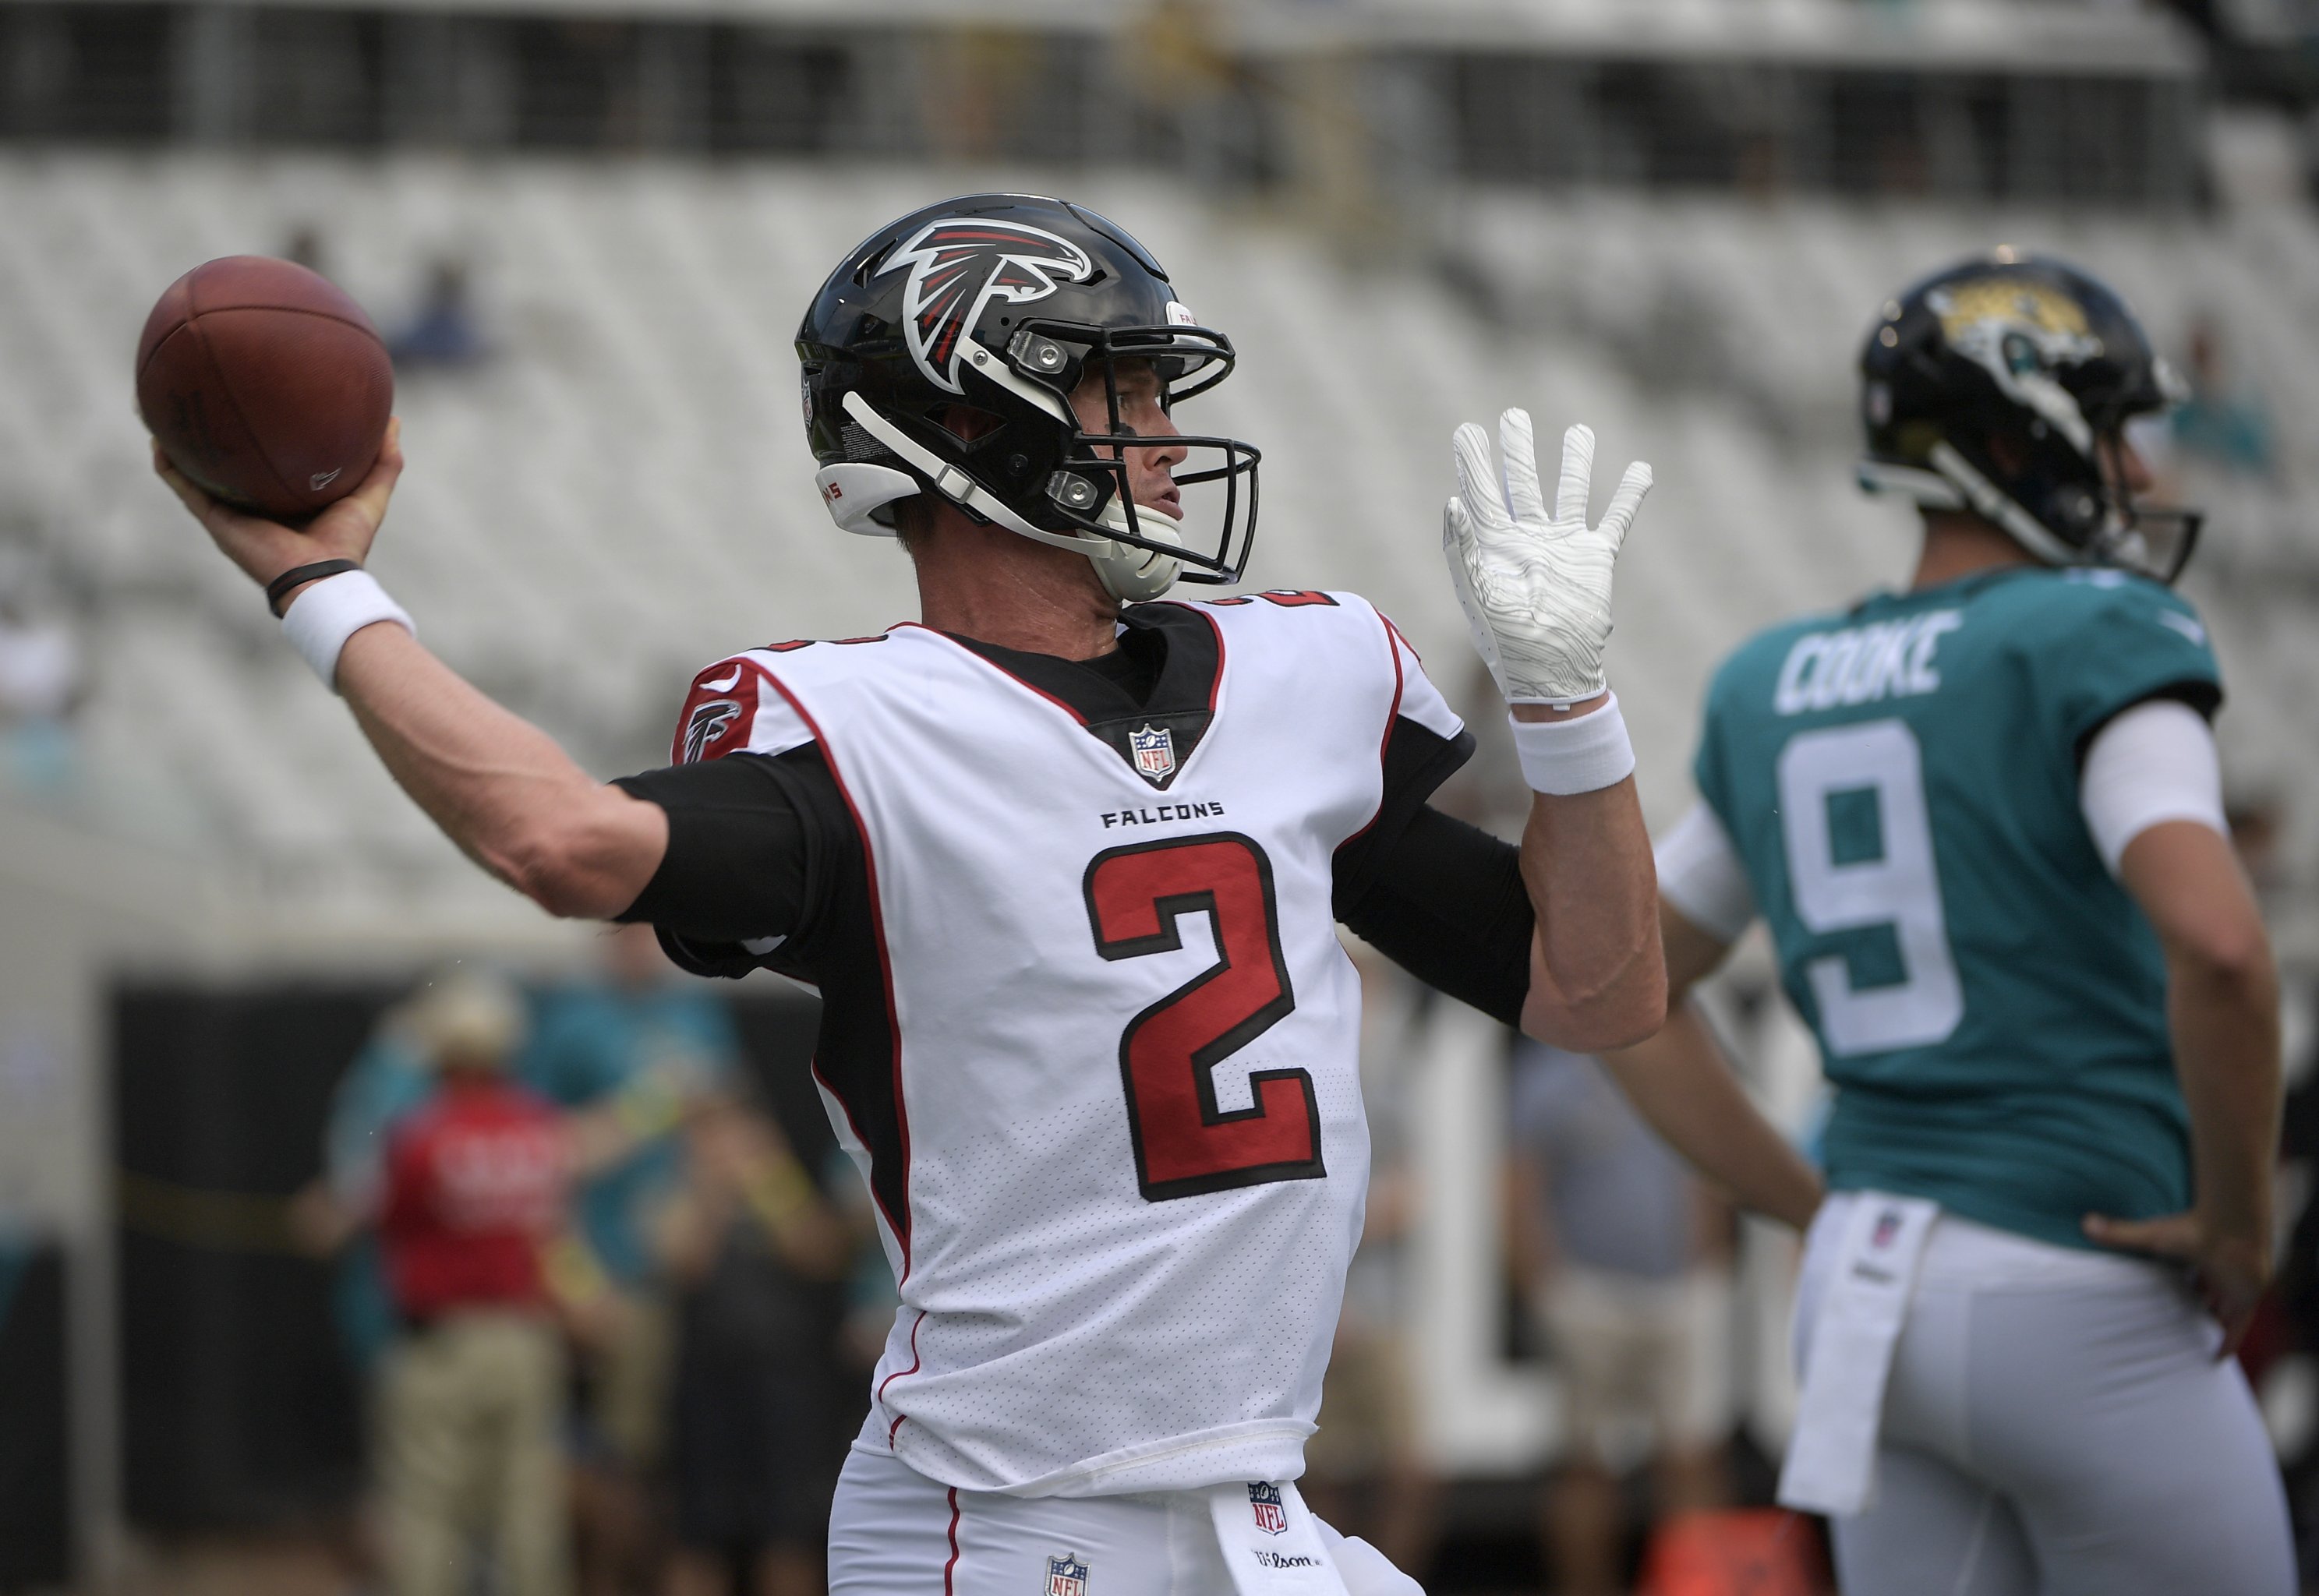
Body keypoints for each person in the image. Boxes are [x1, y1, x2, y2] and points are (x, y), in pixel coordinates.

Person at [153, 191, 1805, 1595]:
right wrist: (321, 583)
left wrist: (1566, 708)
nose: (1161, 432)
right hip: (1014, 1524)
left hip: (1263, 1517)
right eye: (1116, 390)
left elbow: (1597, 989)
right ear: (961, 424)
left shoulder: (1296, 678)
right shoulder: (863, 731)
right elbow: (563, 845)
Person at [1613, 253, 2292, 1593]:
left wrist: (1809, 1198)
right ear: (2008, 437)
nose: (2138, 475)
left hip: (1866, 1287)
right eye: (2108, 432)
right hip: (2076, 1276)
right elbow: (2220, 948)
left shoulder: (1773, 679)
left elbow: (1617, 994)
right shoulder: (2095, 630)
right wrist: (2238, 1217)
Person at [518, 923, 740, 1596]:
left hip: (679, 1275)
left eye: (651, 926)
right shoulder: (570, 1023)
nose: (638, 943)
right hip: (605, 1274)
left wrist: (705, 1220)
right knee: (600, 1456)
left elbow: (725, 1135)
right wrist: (572, 1277)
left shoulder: (697, 1014)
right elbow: (541, 1156)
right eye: (625, 929)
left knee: (662, 1457)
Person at [1504, 1039, 1730, 1596]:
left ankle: (1695, 1586)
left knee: (1691, 1457)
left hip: (1676, 1290)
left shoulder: (1678, 1067)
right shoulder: (1551, 1074)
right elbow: (1518, 1183)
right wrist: (1547, 1287)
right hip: (1590, 1295)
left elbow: (1707, 1161)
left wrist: (1707, 1263)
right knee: (1585, 1464)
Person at [373, 971, 573, 1596]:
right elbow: (554, 1235)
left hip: (443, 1345)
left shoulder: (420, 1137)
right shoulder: (539, 1128)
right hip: (525, 1337)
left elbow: (391, 1222)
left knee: (428, 1509)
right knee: (528, 1507)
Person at [655, 1091, 855, 1596]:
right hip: (706, 1381)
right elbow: (683, 1268)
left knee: (787, 1534)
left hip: (785, 1380)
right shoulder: (679, 1194)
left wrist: (767, 1183)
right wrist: (711, 1193)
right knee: (698, 1536)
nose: (728, 1146)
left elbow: (820, 1255)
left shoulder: (780, 1188)